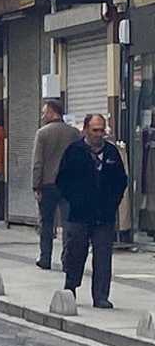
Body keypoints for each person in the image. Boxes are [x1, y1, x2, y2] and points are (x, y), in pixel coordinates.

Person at [56, 114, 128, 309]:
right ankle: (71, 286)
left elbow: (121, 180)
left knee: (103, 256)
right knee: (76, 252)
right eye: (95, 130)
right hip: (79, 213)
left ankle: (101, 295)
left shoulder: (111, 153)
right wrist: (74, 199)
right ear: (86, 130)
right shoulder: (74, 151)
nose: (98, 134)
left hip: (104, 215)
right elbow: (62, 180)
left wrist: (113, 202)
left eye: (101, 130)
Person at [31, 100, 81, 270]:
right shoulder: (74, 133)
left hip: (48, 184)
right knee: (68, 223)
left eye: (44, 112)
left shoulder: (42, 133)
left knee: (46, 223)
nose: (42, 116)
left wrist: (36, 185)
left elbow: (38, 162)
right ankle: (68, 259)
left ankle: (45, 258)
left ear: (53, 112)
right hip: (69, 185)